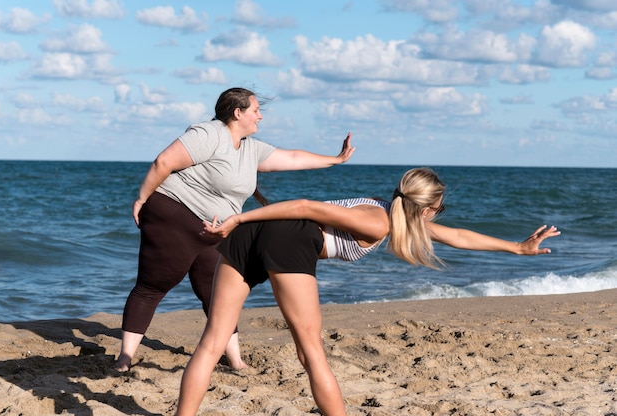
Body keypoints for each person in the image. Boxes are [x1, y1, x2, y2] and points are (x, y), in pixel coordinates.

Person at [174, 167, 561, 416]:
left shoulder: (389, 215)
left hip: (250, 237)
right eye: (438, 211)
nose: (438, 220)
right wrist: (238, 216)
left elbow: (457, 237)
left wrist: (517, 247)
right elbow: (307, 206)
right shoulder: (375, 222)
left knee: (213, 343)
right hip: (280, 236)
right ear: (425, 210)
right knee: (311, 352)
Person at [114, 87, 355, 372]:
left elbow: (291, 158)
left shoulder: (251, 149)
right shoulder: (209, 134)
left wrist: (335, 160)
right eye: (255, 110)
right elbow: (163, 162)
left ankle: (235, 360)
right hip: (175, 215)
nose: (260, 116)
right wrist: (141, 199)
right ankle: (124, 358)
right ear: (237, 112)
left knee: (217, 294)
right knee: (154, 285)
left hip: (214, 231)